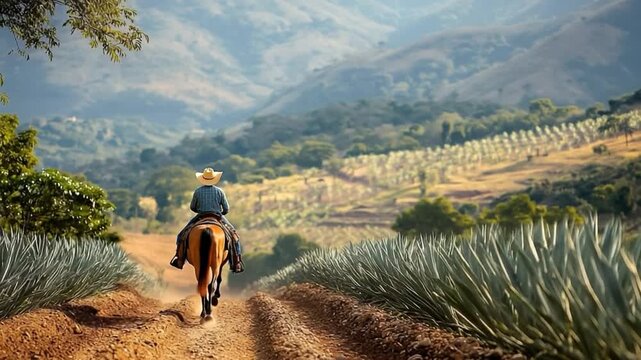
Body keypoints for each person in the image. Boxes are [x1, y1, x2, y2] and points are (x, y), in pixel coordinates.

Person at [169, 167, 243, 272]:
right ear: (214, 179)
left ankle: (179, 259)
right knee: (235, 236)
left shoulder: (197, 191)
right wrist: (221, 214)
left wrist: (200, 210)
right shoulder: (219, 191)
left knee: (181, 235)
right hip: (217, 216)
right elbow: (226, 208)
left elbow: (192, 207)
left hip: (201, 216)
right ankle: (237, 262)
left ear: (203, 178)